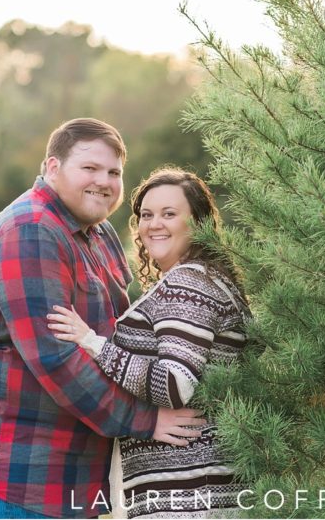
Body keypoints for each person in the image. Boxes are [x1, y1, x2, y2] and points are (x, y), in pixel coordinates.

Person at [0, 119, 206, 520]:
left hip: (74, 480)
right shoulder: (30, 232)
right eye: (89, 168)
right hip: (20, 481)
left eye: (114, 172)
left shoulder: (97, 233)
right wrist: (148, 419)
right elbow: (58, 361)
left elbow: (125, 335)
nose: (103, 181)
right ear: (52, 168)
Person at [47, 167, 252, 519]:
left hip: (187, 492)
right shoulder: (207, 279)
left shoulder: (188, 283)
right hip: (204, 484)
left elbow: (174, 384)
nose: (154, 224)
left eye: (169, 214)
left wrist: (93, 343)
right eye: (146, 215)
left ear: (199, 222)